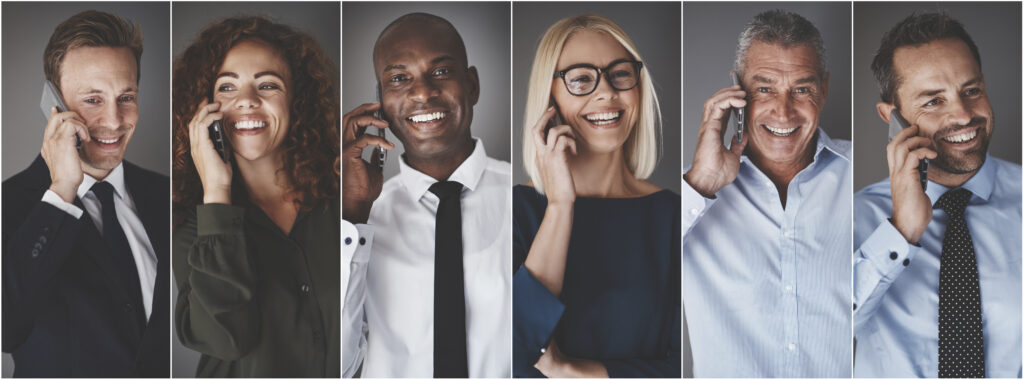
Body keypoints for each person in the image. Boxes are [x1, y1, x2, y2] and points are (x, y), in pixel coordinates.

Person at [341, 12, 511, 378]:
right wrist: (353, 215)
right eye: (399, 78)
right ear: (381, 101)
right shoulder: (357, 221)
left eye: (441, 71)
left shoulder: (527, 197)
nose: (422, 92)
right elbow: (337, 365)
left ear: (472, 85)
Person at [682, 10, 851, 377]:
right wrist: (702, 183)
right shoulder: (692, 197)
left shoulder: (863, 178)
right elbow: (634, 273)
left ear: (824, 89)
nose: (783, 112)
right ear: (736, 89)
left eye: (801, 89)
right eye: (764, 89)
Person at [1, 10, 169, 377]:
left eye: (126, 97)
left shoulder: (164, 195)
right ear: (55, 104)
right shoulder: (8, 205)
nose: (114, 120)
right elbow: (5, 328)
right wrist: (61, 191)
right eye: (93, 100)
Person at [854, 12, 1021, 378]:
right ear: (891, 116)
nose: (962, 115)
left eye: (971, 91)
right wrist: (901, 231)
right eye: (933, 101)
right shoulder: (854, 218)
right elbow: (821, 329)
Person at [171, 16, 340, 377]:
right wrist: (217, 191)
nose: (247, 101)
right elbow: (223, 340)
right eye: (227, 87)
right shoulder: (192, 225)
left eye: (267, 85)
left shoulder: (341, 201)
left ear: (296, 99)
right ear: (204, 108)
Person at [513, 14, 680, 378]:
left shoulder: (672, 215)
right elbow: (514, 351)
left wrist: (570, 371)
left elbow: (681, 367)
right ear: (549, 97)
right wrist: (560, 206)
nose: (606, 92)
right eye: (580, 79)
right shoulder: (513, 212)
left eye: (620, 73)